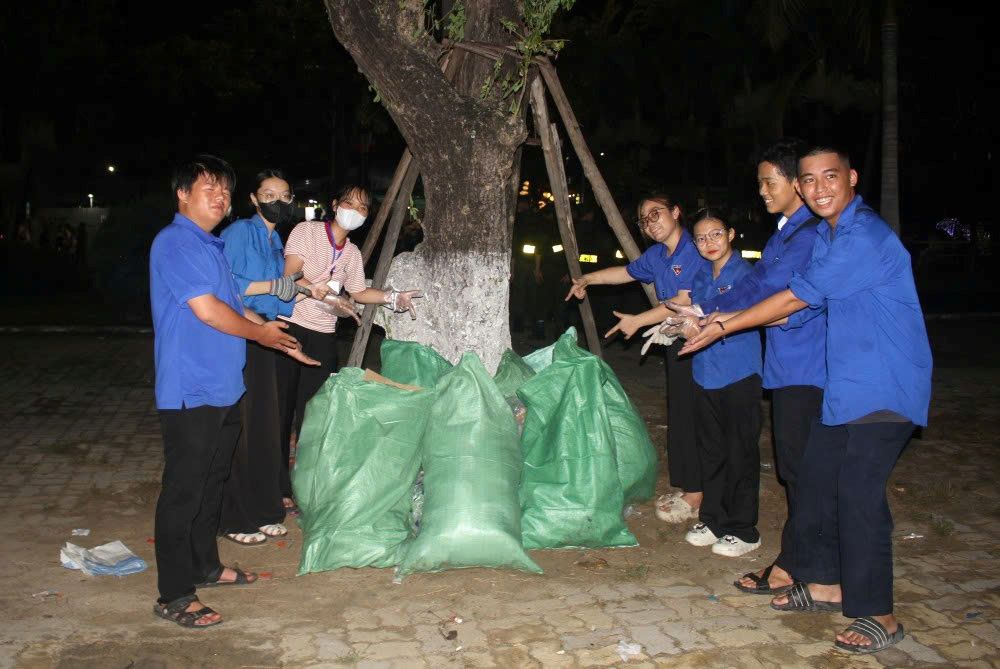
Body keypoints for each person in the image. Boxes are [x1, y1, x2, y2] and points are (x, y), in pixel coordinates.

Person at [681, 145, 932, 654]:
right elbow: (795, 298)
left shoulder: (863, 235)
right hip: (844, 387)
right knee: (814, 475)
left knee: (858, 491)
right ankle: (823, 583)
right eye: (809, 180)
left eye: (830, 177)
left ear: (852, 178)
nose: (819, 188)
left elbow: (797, 294)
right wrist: (723, 318)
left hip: (886, 385)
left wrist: (723, 324)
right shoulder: (828, 237)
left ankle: (878, 612)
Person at [149, 154, 314, 628]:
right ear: (182, 193)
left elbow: (237, 305)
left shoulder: (213, 246)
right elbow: (206, 310)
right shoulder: (176, 242)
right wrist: (258, 334)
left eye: (224, 190)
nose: (219, 197)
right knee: (183, 490)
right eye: (208, 189)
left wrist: (277, 335)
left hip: (224, 387)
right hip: (190, 389)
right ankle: (174, 594)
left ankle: (203, 564)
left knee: (213, 481)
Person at [681, 139, 824, 591]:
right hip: (784, 368)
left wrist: (725, 323)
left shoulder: (814, 234)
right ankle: (800, 563)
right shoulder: (785, 234)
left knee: (798, 468)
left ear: (796, 184)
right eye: (760, 182)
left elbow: (786, 298)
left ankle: (798, 564)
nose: (762, 190)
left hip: (808, 366)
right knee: (789, 467)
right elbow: (758, 288)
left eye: (770, 181)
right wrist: (714, 317)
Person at [275, 184, 421, 513]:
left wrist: (392, 297)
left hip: (324, 335)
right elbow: (289, 277)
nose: (354, 211)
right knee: (281, 411)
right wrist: (321, 292)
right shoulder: (306, 231)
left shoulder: (352, 254)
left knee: (313, 415)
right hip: (291, 324)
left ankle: (306, 487)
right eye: (349, 203)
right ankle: (277, 487)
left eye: (363, 207)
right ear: (335, 204)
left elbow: (357, 293)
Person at [566, 193, 708, 522]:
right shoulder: (658, 254)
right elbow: (627, 272)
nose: (650, 223)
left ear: (676, 211)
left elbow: (681, 299)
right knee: (681, 411)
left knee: (697, 413)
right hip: (676, 337)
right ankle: (689, 486)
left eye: (656, 214)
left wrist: (638, 320)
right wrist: (589, 278)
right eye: (644, 219)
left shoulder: (692, 249)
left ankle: (698, 493)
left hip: (702, 339)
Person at [217, 169, 321, 545]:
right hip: (242, 333)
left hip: (268, 334)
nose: (277, 200)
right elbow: (224, 285)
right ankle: (233, 516)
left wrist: (319, 292)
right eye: (268, 194)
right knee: (242, 427)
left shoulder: (277, 243)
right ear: (254, 198)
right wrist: (273, 286)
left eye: (284, 194)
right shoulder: (240, 233)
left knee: (265, 426)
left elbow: (287, 287)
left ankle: (263, 509)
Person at [680, 210, 763, 557]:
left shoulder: (747, 274)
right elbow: (692, 312)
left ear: (731, 234)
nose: (709, 243)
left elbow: (744, 314)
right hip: (704, 372)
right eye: (701, 238)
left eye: (715, 234)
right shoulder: (700, 275)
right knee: (711, 450)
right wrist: (682, 324)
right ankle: (713, 519)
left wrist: (699, 320)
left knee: (740, 451)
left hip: (739, 372)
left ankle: (743, 529)